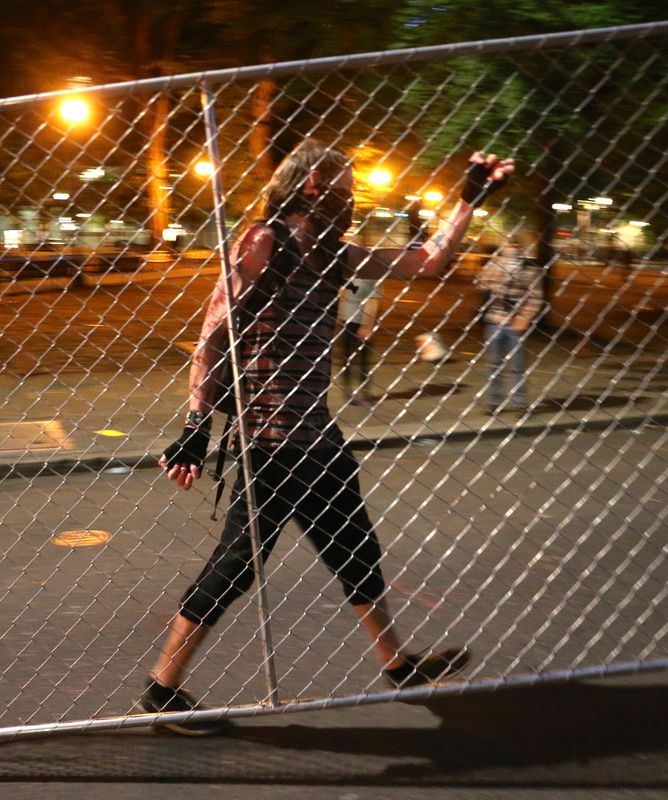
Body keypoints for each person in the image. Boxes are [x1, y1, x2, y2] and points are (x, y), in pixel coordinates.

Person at [140, 140, 514, 735]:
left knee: (356, 550)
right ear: (314, 182)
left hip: (319, 436)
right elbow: (214, 332)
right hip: (270, 441)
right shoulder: (266, 242)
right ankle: (163, 689)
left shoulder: (337, 254)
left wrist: (468, 198)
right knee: (237, 564)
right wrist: (194, 427)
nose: (353, 193)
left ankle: (398, 666)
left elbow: (427, 262)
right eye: (347, 180)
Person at [476, 238, 543, 414]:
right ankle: (494, 401)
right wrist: (495, 270)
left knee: (517, 366)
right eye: (509, 245)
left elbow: (535, 297)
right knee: (493, 364)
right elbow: (481, 284)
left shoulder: (529, 269)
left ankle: (519, 402)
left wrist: (525, 317)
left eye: (515, 245)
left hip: (516, 322)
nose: (512, 248)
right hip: (495, 320)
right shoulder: (495, 265)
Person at [338, 276, 382, 406]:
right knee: (346, 358)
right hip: (347, 322)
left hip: (361, 321)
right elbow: (342, 297)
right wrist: (339, 318)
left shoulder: (371, 275)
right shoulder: (347, 273)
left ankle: (365, 393)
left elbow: (372, 302)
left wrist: (367, 325)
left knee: (363, 359)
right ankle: (348, 391)